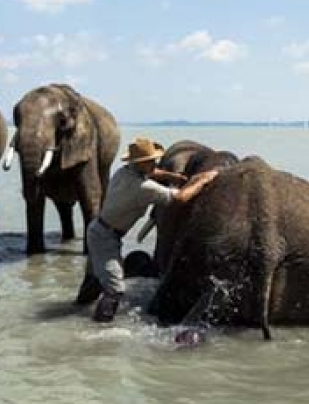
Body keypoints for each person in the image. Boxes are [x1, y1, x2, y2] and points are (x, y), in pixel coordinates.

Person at [75, 137, 219, 322]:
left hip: (99, 230)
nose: (155, 163)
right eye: (151, 161)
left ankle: (75, 312)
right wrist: (203, 181)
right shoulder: (142, 188)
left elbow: (151, 173)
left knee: (94, 281)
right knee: (115, 289)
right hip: (105, 238)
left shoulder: (124, 172)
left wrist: (173, 177)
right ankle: (98, 331)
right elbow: (180, 199)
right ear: (140, 163)